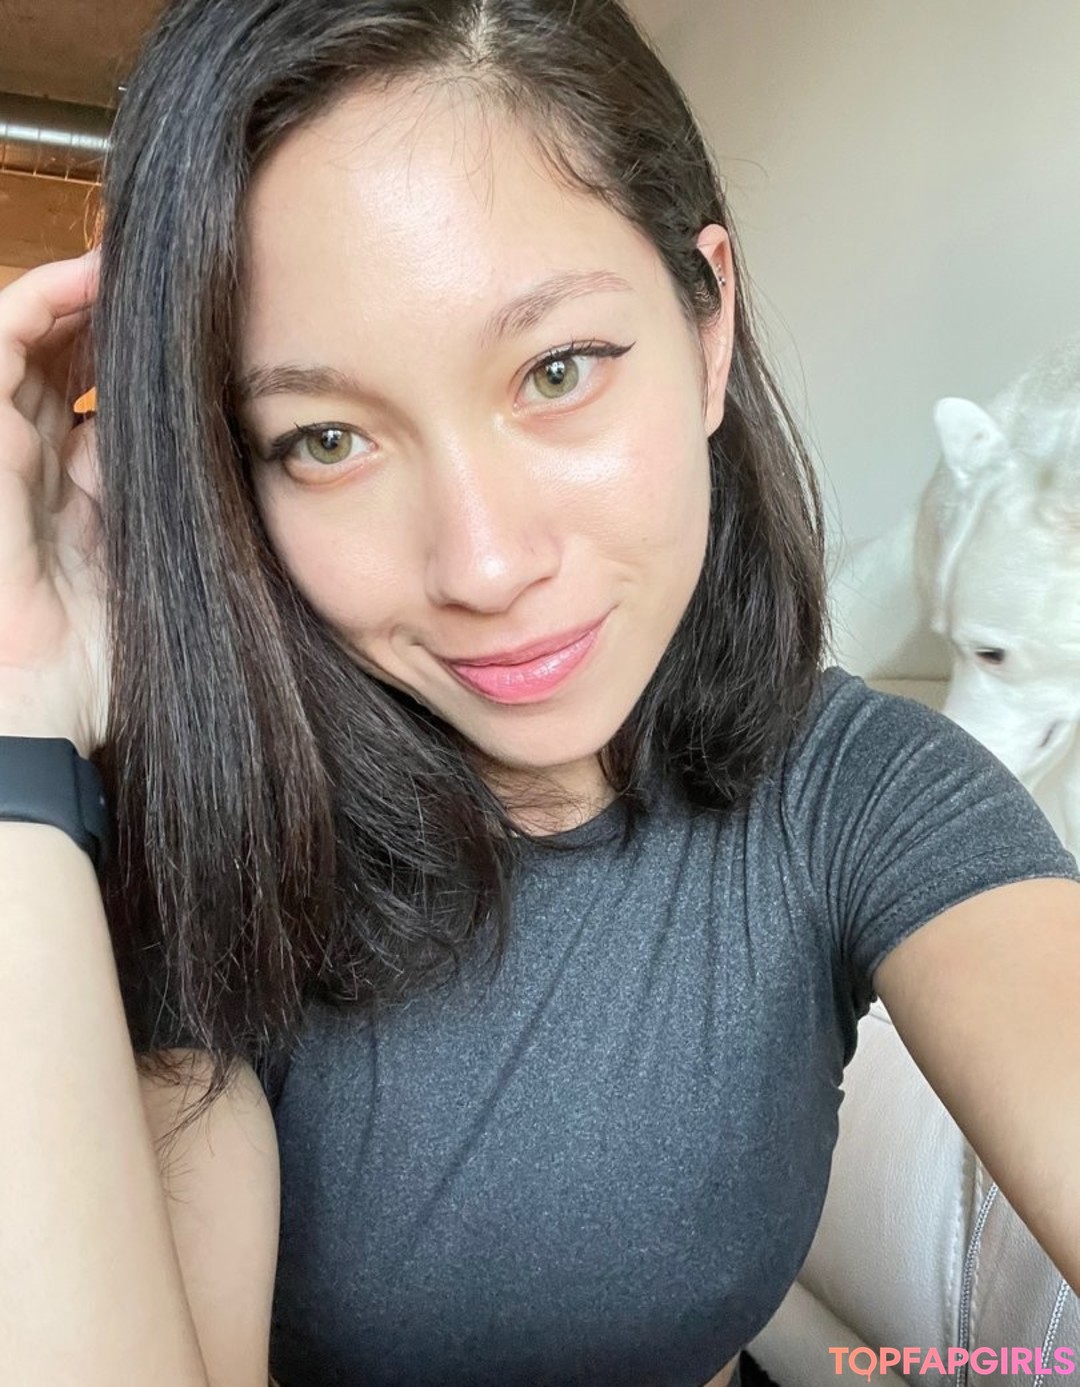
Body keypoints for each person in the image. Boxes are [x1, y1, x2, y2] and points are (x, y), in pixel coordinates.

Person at [1, 0, 1078, 1383]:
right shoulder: (220, 836)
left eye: (557, 371)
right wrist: (20, 706)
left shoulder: (866, 796)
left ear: (706, 325)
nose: (485, 565)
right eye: (324, 439)